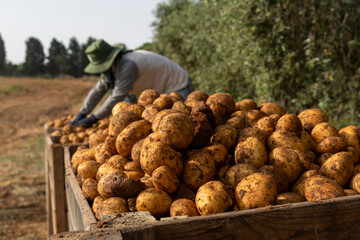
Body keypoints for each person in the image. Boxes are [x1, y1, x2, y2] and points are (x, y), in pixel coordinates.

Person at [69, 39, 193, 127]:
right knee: (124, 119)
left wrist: (93, 118)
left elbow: (117, 96)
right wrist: (82, 113)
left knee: (181, 124)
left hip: (177, 85)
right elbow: (97, 91)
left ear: (110, 60)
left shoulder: (128, 66)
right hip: (159, 92)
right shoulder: (111, 69)